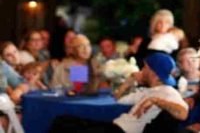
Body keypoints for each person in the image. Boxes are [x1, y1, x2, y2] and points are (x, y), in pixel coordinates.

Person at [49, 52, 188, 133]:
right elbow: (118, 98)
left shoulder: (167, 92)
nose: (141, 70)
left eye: (145, 67)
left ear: (153, 72)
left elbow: (183, 113)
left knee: (64, 125)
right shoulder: (148, 91)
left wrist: (157, 101)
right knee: (63, 120)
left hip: (122, 132)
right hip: (116, 126)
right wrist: (130, 80)